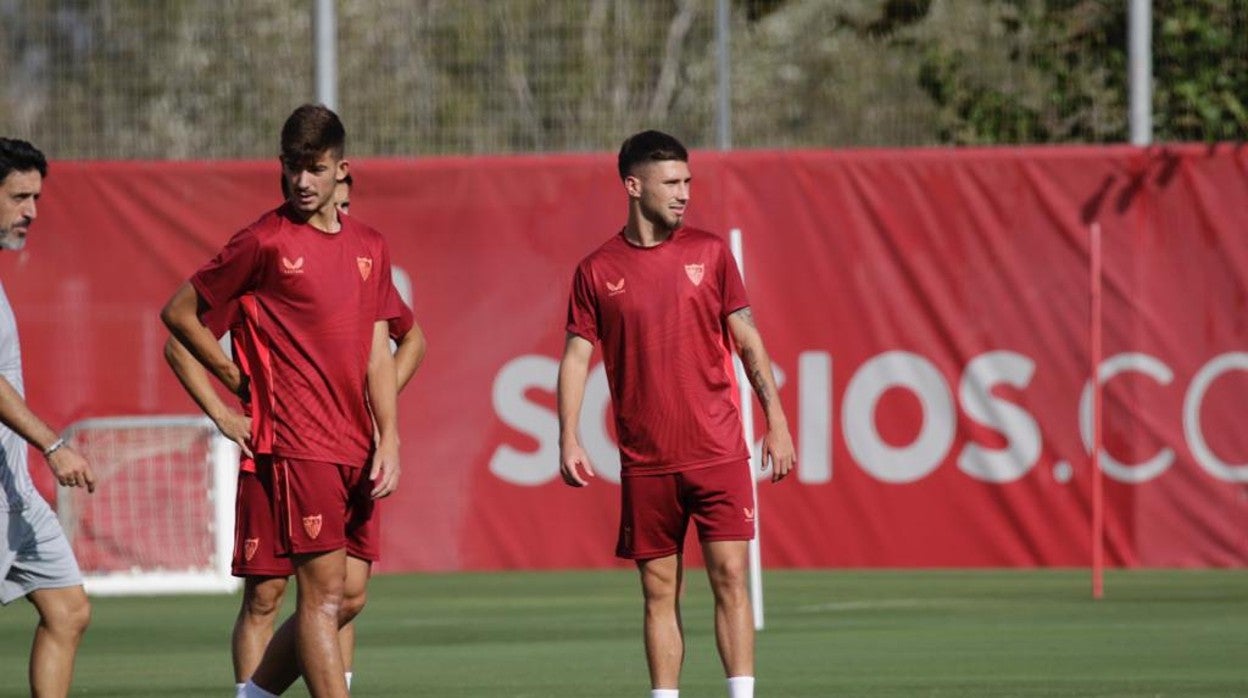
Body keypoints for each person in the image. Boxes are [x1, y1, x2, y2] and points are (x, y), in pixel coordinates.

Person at [161, 104, 401, 698]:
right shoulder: (264, 241)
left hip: (355, 445)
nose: (302, 181)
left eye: (315, 168)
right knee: (303, 597)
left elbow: (381, 353)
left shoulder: (370, 246)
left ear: (340, 169)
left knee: (349, 597)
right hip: (295, 443)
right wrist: (229, 387)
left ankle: (252, 695)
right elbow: (177, 317)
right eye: (292, 167)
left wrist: (390, 436)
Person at [557, 130, 796, 698]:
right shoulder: (596, 270)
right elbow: (574, 357)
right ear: (633, 186)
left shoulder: (711, 254)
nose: (684, 193)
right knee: (658, 590)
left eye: (688, 181)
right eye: (671, 182)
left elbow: (749, 342)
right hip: (646, 461)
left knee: (731, 578)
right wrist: (567, 435)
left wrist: (777, 420)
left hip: (717, 451)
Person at [0, 137, 96, 698]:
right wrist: (54, 445)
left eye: (36, 198)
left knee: (68, 610)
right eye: (18, 197)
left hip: (13, 489)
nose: (31, 211)